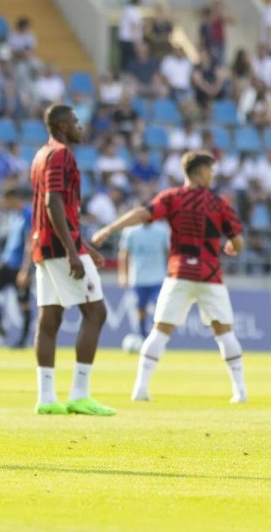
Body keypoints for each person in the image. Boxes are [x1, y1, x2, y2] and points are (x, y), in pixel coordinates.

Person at [93, 151, 247, 403]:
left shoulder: (173, 198)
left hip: (180, 275)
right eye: (210, 170)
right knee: (225, 333)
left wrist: (110, 229)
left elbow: (142, 213)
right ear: (199, 173)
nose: (212, 175)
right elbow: (237, 241)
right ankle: (240, 391)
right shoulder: (219, 203)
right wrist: (232, 247)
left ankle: (140, 389)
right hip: (209, 276)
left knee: (160, 332)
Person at [29, 104, 115, 416]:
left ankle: (47, 398)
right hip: (59, 247)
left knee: (49, 320)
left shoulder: (40, 155)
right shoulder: (61, 154)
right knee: (96, 312)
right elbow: (53, 203)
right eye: (76, 123)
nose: (80, 128)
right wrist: (71, 250)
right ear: (63, 126)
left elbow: (48, 206)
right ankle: (80, 394)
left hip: (44, 245)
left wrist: (81, 245)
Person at [0, 187, 33, 348]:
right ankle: (0, 326)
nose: (3, 204)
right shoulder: (13, 216)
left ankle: (23, 341)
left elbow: (30, 243)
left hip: (20, 266)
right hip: (6, 262)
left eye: (5, 200)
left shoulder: (28, 214)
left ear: (14, 199)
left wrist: (26, 269)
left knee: (23, 304)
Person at [117, 221, 170, 338]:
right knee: (141, 308)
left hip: (158, 277)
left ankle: (157, 335)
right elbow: (124, 254)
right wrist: (123, 275)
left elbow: (168, 252)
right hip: (138, 278)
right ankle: (142, 335)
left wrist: (171, 272)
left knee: (159, 307)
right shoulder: (131, 231)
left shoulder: (162, 230)